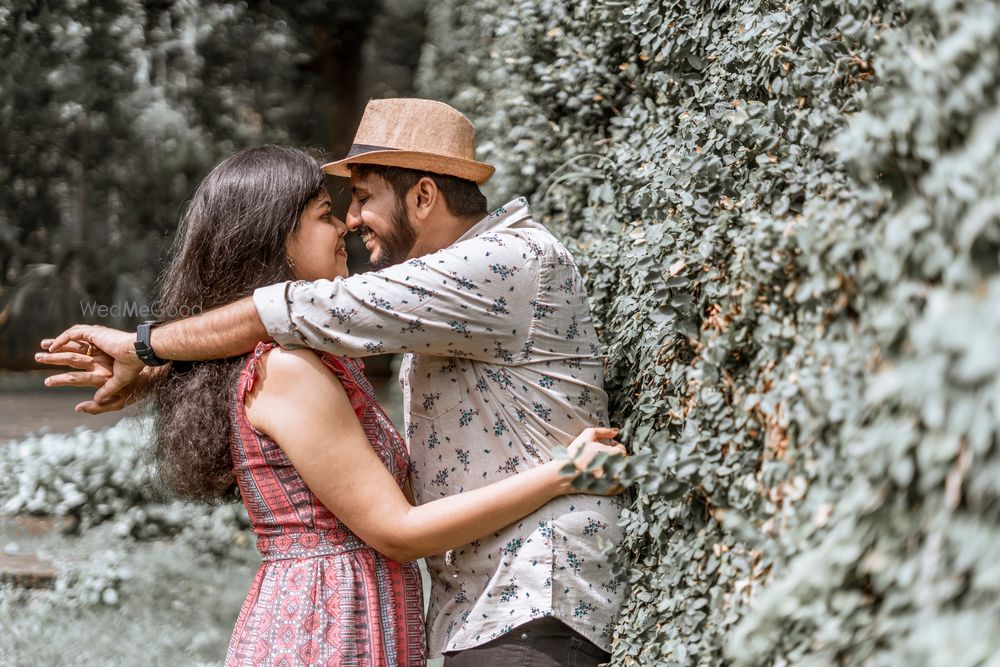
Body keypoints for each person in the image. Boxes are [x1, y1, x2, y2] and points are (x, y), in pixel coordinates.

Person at [40, 98, 627, 666]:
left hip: (524, 594)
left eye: (361, 198)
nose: (350, 222)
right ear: (274, 242)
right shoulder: (296, 367)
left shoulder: (499, 263)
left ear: (423, 196)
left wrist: (147, 350)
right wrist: (157, 364)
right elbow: (283, 329)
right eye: (329, 213)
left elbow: (284, 313)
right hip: (356, 622)